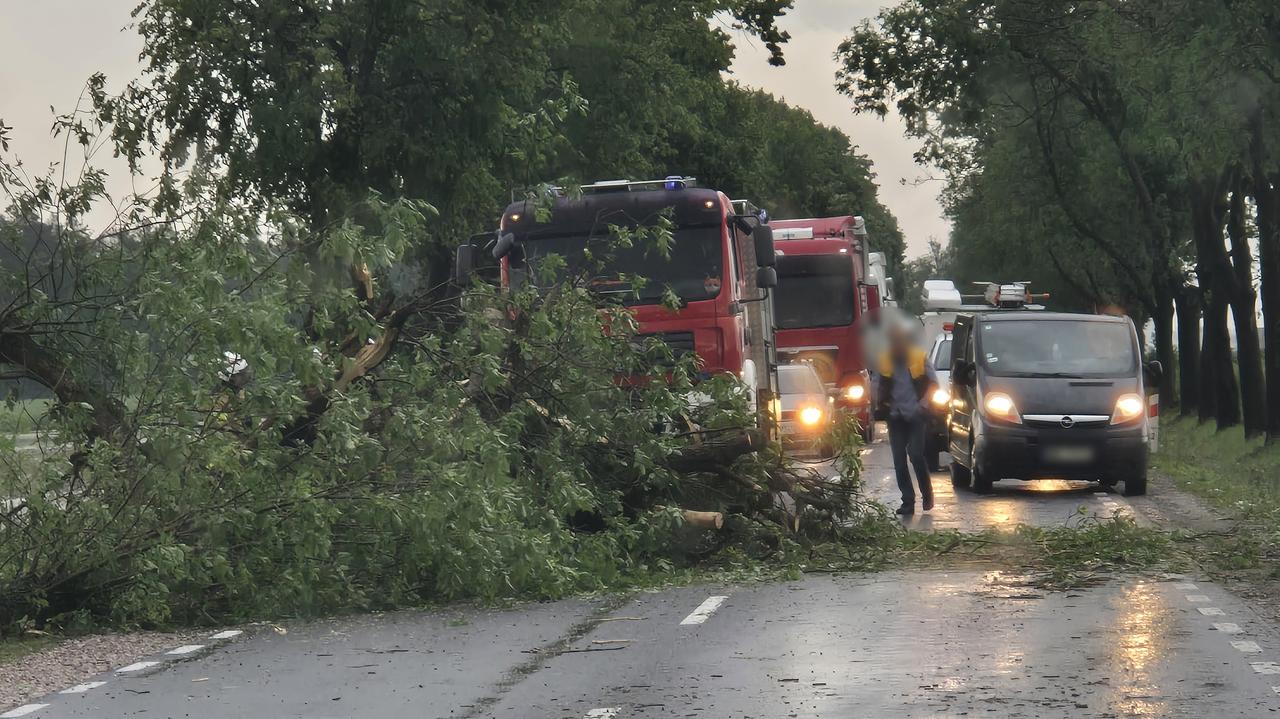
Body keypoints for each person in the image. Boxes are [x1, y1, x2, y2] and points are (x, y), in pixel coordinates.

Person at [874, 324, 939, 516]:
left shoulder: (919, 357)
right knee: (899, 461)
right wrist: (877, 405)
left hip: (917, 415)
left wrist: (925, 403)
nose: (897, 346)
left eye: (900, 342)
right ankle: (908, 502)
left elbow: (933, 383)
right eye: (893, 342)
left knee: (916, 455)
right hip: (896, 417)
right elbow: (876, 385)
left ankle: (927, 494)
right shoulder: (884, 361)